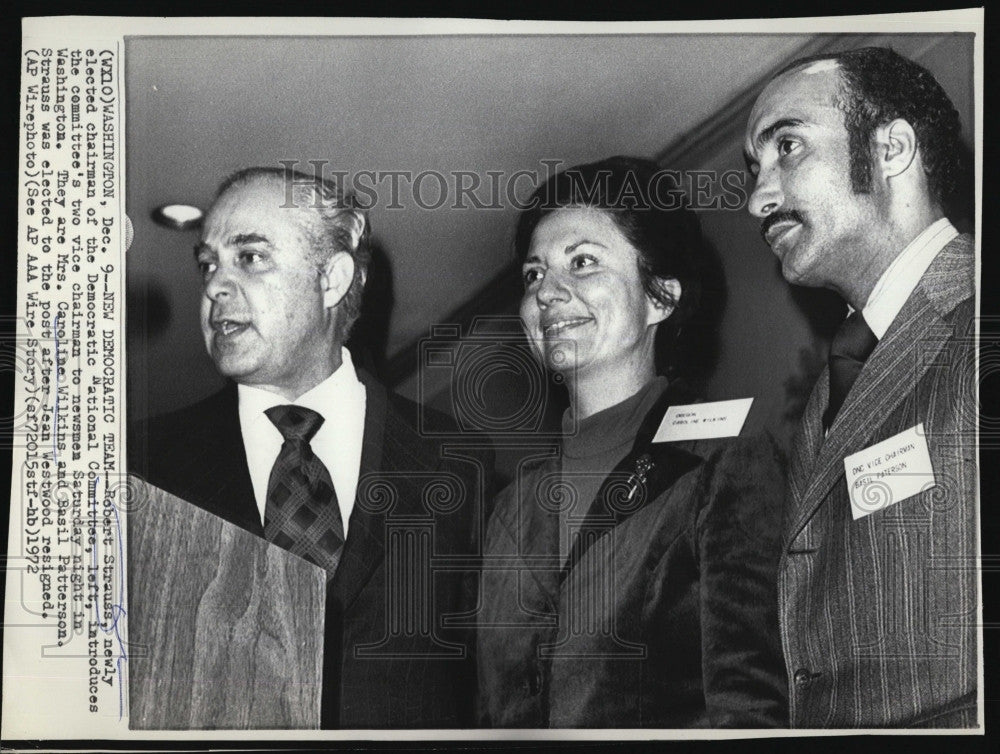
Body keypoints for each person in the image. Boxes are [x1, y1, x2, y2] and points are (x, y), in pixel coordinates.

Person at [129, 167, 492, 728]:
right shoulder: (141, 465)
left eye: (249, 257)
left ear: (332, 279)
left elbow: (490, 689)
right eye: (208, 264)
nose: (214, 287)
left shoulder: (456, 460)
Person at [475, 156, 788, 728]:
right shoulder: (505, 508)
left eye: (583, 262)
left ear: (661, 297)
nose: (547, 292)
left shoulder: (723, 459)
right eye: (534, 274)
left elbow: (750, 704)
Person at [743, 47, 977, 728]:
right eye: (752, 169)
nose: (758, 196)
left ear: (892, 148)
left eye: (786, 146)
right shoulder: (830, 386)